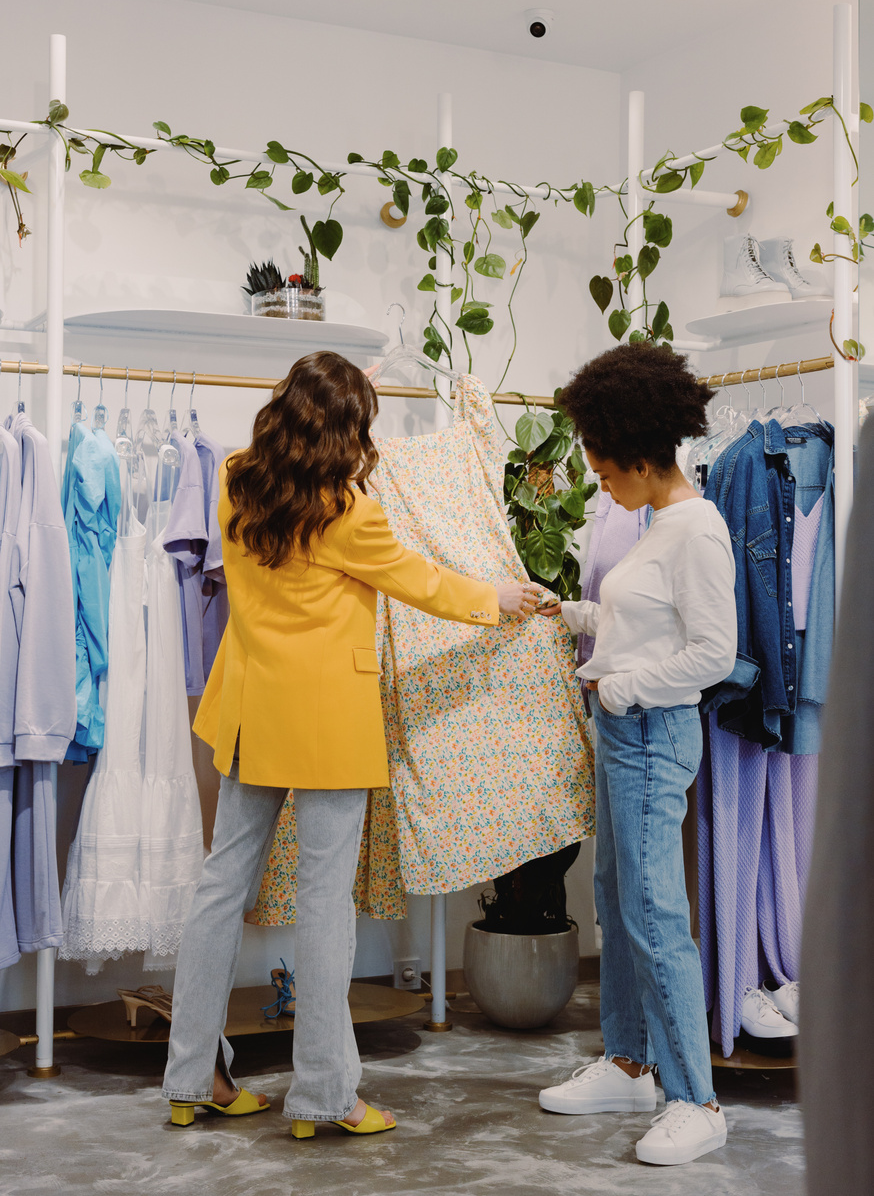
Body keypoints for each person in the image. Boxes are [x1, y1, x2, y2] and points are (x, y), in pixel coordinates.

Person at [161, 350, 538, 1136]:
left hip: (250, 711)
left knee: (220, 889)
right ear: (344, 433)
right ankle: (324, 1095)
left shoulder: (235, 478)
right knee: (324, 906)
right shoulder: (348, 513)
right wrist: (497, 598)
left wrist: (335, 384)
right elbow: (420, 579)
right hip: (328, 721)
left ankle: (192, 1076)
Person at [536, 343, 736, 1167]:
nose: (602, 484)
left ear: (646, 458)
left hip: (651, 733)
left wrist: (622, 687)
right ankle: (628, 1061)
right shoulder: (658, 525)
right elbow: (645, 623)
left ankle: (698, 1097)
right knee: (618, 896)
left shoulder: (697, 529)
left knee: (657, 917)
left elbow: (714, 653)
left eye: (608, 470)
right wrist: (577, 617)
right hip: (624, 734)